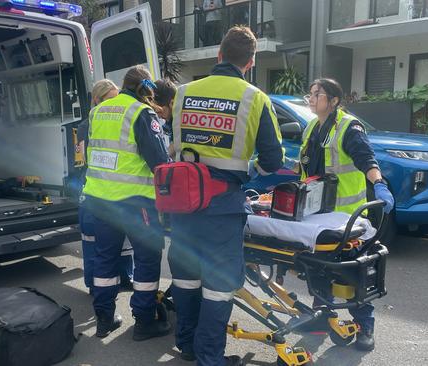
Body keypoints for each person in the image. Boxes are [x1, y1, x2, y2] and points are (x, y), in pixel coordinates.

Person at [169, 26, 284, 365]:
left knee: (186, 277)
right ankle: (209, 357)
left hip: (181, 202)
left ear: (218, 55)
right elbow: (273, 160)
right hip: (221, 205)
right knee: (218, 285)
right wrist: (251, 177)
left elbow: (172, 144)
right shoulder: (254, 98)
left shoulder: (183, 92)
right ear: (250, 62)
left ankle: (187, 345)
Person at [296, 77, 394, 352]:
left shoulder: (349, 128)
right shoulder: (312, 128)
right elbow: (304, 167)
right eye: (311, 93)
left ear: (334, 100)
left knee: (354, 274)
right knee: (317, 268)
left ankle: (365, 326)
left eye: (318, 94)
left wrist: (379, 185)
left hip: (348, 218)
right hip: (316, 216)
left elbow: (367, 160)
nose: (312, 98)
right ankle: (322, 317)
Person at [82, 65, 171, 340]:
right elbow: (160, 162)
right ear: (146, 90)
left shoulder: (98, 111)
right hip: (135, 203)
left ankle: (104, 319)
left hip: (100, 199)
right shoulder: (141, 113)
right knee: (146, 258)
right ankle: (144, 321)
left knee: (104, 259)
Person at [75, 80, 134, 295]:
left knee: (125, 240)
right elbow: (88, 158)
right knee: (93, 240)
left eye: (117, 98)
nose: (115, 103)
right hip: (95, 189)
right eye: (110, 99)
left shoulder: (122, 119)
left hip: (118, 189)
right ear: (97, 100)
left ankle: (126, 276)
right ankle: (95, 283)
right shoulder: (86, 125)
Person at [153, 78, 177, 159]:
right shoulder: (169, 121)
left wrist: (163, 157)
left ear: (172, 103)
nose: (158, 116)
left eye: (160, 111)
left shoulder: (181, 121)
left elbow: (177, 143)